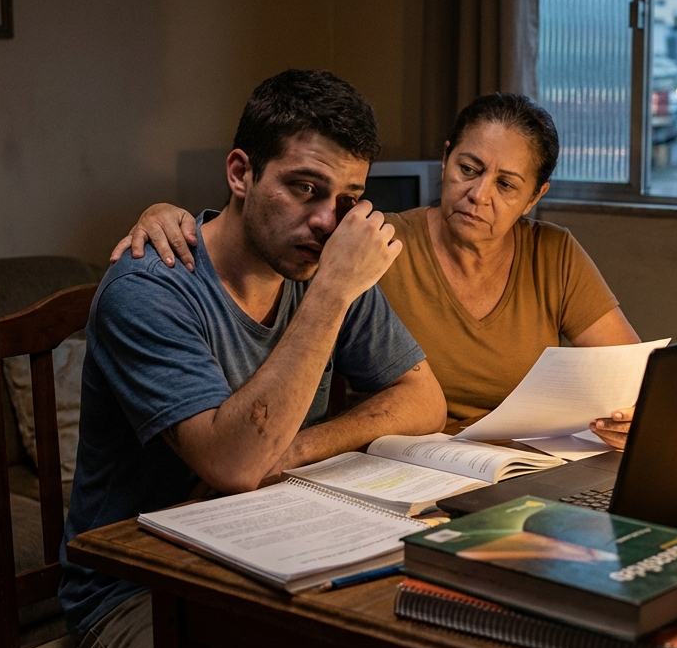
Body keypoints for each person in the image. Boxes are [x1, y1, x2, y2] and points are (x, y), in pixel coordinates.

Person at [63, 69, 446, 648]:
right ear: (241, 173)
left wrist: (290, 453)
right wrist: (332, 292)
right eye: (303, 188)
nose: (327, 221)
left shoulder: (324, 263)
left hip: (272, 549)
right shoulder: (150, 287)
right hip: (139, 588)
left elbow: (423, 400)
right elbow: (235, 464)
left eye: (345, 199)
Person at [114, 93, 640, 448]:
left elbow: (628, 374)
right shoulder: (366, 244)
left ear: (534, 197)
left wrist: (630, 418)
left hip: (526, 465)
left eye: (506, 185)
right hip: (420, 466)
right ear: (446, 159)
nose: (478, 195)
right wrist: (163, 212)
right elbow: (244, 230)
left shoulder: (553, 252)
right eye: (469, 169)